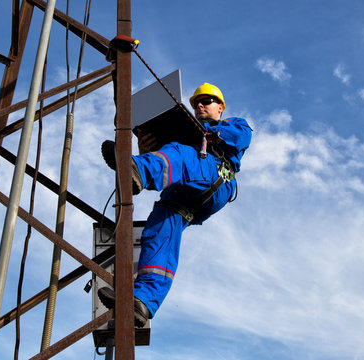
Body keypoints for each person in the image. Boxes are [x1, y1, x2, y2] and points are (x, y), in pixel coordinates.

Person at [98, 83, 252, 327]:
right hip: (184, 195)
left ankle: (140, 168)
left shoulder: (235, 125)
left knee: (179, 152)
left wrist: (208, 135)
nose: (200, 105)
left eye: (206, 101)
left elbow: (240, 137)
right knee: (158, 231)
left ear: (220, 107)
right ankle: (143, 302)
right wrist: (148, 149)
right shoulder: (191, 139)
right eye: (196, 103)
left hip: (214, 177)